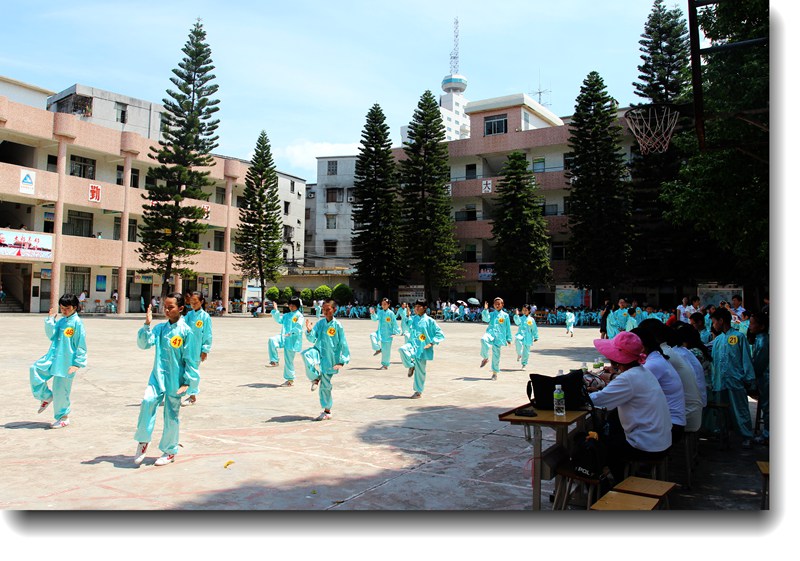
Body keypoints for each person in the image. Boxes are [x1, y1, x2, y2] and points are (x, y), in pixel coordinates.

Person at [588, 331, 672, 484]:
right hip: (660, 440)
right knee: (612, 428)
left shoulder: (629, 378)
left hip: (647, 445)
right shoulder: (642, 372)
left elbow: (598, 401)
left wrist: (581, 394)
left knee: (596, 448)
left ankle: (618, 485)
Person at [133, 293, 199, 466]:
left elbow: (191, 359)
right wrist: (147, 324)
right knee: (147, 401)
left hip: (176, 380)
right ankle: (143, 440)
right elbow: (144, 344)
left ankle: (169, 451)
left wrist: (188, 383)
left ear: (181, 308)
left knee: (171, 415)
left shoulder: (186, 331)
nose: (167, 311)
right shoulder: (160, 329)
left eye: (171, 307)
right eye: (165, 307)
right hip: (157, 376)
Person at [30, 294, 88, 429]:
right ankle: (45, 396)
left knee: (60, 390)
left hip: (67, 362)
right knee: (35, 369)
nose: (64, 311)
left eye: (67, 308)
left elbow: (81, 344)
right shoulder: (62, 321)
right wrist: (50, 320)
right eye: (62, 308)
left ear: (75, 307)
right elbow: (52, 335)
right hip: (52, 358)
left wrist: (77, 364)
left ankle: (63, 417)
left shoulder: (77, 323)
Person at [710, 307, 756, 449]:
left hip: (735, 380)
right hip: (720, 381)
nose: (713, 325)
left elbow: (746, 359)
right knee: (721, 411)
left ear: (721, 321)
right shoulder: (718, 340)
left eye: (714, 322)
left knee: (740, 409)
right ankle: (722, 433)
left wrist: (749, 378)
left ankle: (746, 435)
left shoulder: (738, 337)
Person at [630, 326, 686, 444]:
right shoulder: (657, 357)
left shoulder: (653, 364)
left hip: (671, 424)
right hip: (671, 420)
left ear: (642, 347)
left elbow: (631, 387)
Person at [302, 299, 350, 421]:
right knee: (306, 354)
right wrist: (309, 330)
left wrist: (342, 361)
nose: (325, 312)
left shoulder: (337, 326)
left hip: (330, 358)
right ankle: (315, 377)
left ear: (334, 310)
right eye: (323, 310)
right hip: (318, 351)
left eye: (328, 309)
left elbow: (343, 343)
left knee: (325, 385)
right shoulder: (320, 323)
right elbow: (313, 339)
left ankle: (327, 411)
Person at [398, 299, 445, 399]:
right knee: (402, 350)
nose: (416, 308)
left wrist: (431, 343)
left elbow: (440, 334)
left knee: (420, 372)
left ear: (424, 308)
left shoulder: (430, 321)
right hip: (412, 344)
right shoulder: (413, 318)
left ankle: (418, 392)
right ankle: (411, 365)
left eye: (418, 307)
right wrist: (407, 315)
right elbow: (407, 323)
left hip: (423, 348)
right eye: (415, 306)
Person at [182, 291, 213, 405]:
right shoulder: (188, 315)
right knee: (184, 372)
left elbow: (207, 334)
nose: (193, 304)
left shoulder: (205, 317)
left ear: (201, 302)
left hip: (196, 349)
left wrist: (205, 350)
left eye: (195, 302)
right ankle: (182, 393)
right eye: (191, 302)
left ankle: (192, 396)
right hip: (185, 348)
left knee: (193, 373)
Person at [268, 297, 304, 386]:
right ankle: (274, 361)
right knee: (272, 340)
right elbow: (279, 320)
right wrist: (276, 310)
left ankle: (290, 380)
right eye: (290, 305)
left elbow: (298, 328)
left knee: (289, 361)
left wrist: (291, 333)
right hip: (283, 337)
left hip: (292, 341)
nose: (291, 307)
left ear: (297, 305)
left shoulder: (299, 316)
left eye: (293, 305)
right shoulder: (287, 315)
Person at [748, 311, 769, 445]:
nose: (750, 326)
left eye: (752, 323)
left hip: (766, 378)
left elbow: (759, 364)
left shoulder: (762, 341)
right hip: (764, 377)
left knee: (767, 407)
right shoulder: (761, 339)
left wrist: (750, 377)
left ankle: (767, 434)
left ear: (761, 326)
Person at [480, 297, 513, 381]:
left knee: (496, 355)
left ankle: (494, 373)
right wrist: (485, 310)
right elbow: (485, 319)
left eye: (499, 304)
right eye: (495, 304)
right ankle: (485, 358)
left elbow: (508, 328)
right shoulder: (491, 314)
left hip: (499, 337)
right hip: (490, 334)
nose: (497, 305)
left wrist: (509, 339)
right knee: (483, 339)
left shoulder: (505, 315)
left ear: (502, 305)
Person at [369, 298, 401, 370]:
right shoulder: (380, 312)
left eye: (385, 304)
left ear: (388, 305)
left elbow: (394, 323)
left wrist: (396, 332)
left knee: (386, 351)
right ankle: (378, 349)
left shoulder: (391, 313)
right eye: (382, 304)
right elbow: (375, 319)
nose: (383, 305)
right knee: (372, 335)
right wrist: (373, 313)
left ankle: (385, 365)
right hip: (379, 332)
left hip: (388, 334)